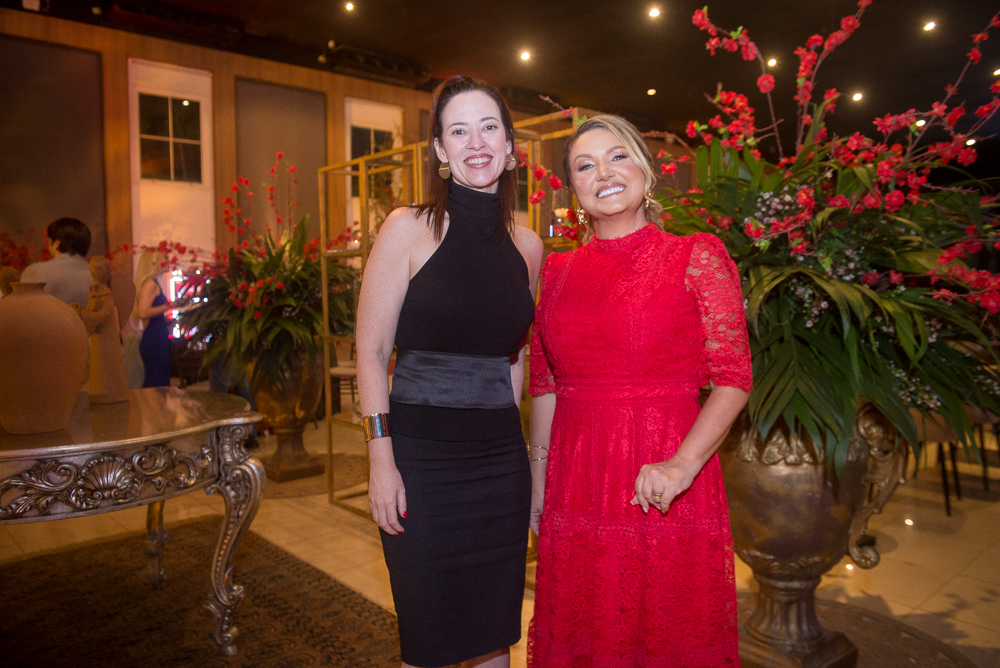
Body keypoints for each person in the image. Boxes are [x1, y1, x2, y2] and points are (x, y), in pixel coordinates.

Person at [527, 115, 752, 667]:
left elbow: (733, 377)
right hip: (576, 481)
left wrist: (682, 465)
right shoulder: (556, 272)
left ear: (646, 172)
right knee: (586, 631)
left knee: (665, 633)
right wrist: (538, 482)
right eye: (585, 165)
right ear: (573, 187)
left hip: (664, 478)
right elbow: (545, 385)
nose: (603, 173)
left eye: (618, 156)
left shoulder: (695, 256)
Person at [356, 75, 543, 668]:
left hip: (498, 467)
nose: (476, 142)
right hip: (420, 464)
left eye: (489, 127)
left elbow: (513, 357)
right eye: (458, 131)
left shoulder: (528, 247)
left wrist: (523, 460)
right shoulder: (407, 228)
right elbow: (370, 351)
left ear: (510, 145)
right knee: (428, 637)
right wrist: (380, 460)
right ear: (440, 149)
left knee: (494, 633)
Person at [133, 249, 183, 388]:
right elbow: (143, 312)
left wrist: (167, 320)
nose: (168, 261)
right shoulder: (150, 284)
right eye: (164, 258)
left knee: (157, 382)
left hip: (156, 336)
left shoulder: (152, 282)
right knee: (156, 384)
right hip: (154, 339)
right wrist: (169, 305)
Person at [20, 217, 93, 306]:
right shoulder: (96, 275)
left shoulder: (35, 271)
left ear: (56, 243)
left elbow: (23, 307)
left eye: (48, 240)